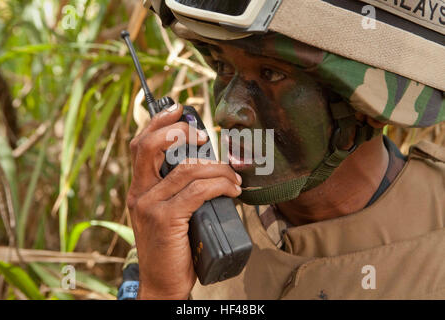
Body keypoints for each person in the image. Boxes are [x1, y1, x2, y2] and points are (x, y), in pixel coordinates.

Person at [118, 0, 445, 300]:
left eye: (272, 74)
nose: (226, 112)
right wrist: (160, 292)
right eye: (222, 67)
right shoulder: (187, 223)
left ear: (367, 106)